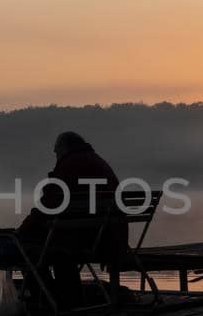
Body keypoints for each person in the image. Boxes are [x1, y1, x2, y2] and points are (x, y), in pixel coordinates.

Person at [16, 130, 128, 307]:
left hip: (79, 241)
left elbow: (47, 205)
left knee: (26, 250)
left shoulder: (68, 167)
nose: (55, 155)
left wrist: (21, 231)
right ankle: (68, 299)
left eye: (56, 150)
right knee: (56, 245)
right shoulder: (99, 162)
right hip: (109, 240)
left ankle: (46, 302)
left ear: (65, 147)